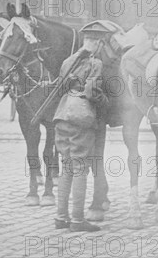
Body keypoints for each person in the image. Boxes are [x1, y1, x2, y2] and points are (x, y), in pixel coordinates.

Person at [53, 23, 111, 232]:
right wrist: (105, 102)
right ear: (98, 43)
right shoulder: (95, 63)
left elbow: (60, 87)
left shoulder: (68, 61)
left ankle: (61, 217)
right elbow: (91, 92)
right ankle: (78, 220)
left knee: (66, 165)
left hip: (62, 115)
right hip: (81, 117)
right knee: (79, 168)